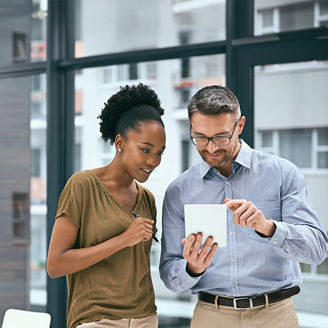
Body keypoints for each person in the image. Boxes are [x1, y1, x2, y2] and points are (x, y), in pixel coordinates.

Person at [159, 85, 328, 328]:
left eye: (221, 136)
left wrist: (268, 228)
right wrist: (192, 268)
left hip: (274, 316)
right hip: (211, 317)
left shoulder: (282, 173)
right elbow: (169, 275)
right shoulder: (179, 191)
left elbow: (318, 250)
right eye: (200, 137)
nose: (211, 147)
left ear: (240, 125)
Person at [47, 83, 166, 328]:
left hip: (146, 317)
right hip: (97, 319)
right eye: (145, 149)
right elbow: (55, 264)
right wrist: (124, 239)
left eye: (159, 152)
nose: (153, 161)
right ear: (120, 142)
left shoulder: (147, 198)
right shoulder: (82, 185)